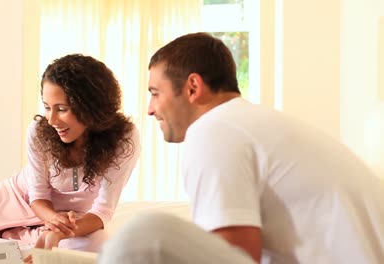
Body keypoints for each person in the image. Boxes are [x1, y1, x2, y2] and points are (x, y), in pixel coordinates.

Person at [98, 32, 384, 263]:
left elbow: (238, 257)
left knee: (143, 236)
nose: (150, 109)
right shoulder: (255, 124)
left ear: (193, 87)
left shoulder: (214, 130)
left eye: (155, 93)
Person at [0, 54, 141, 253]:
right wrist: (54, 219)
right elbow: (38, 196)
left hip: (75, 216)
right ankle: (14, 229)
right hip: (20, 197)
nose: (52, 120)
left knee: (97, 244)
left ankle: (15, 234)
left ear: (92, 107)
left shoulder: (124, 139)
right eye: (47, 106)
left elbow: (103, 210)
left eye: (62, 109)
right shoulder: (38, 132)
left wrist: (63, 229)